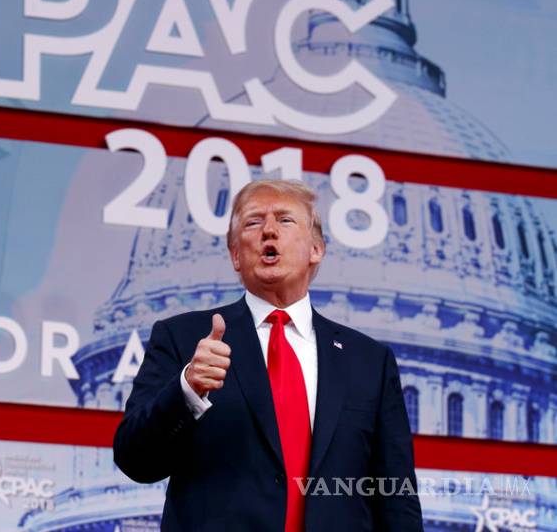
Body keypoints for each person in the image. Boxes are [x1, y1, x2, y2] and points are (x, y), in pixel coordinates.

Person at [113, 179, 422, 531]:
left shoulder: (369, 362)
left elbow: (397, 498)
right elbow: (135, 460)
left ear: (316, 250)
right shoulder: (183, 339)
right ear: (235, 255)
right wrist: (187, 390)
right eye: (253, 221)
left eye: (285, 220)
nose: (269, 230)